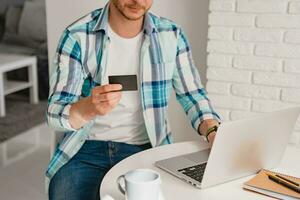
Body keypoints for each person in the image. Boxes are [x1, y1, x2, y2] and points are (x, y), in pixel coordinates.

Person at [46, 0, 220, 199]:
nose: (138, 1)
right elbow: (54, 113)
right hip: (84, 148)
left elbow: (194, 95)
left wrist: (213, 131)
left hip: (145, 149)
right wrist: (88, 108)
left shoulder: (171, 35)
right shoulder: (77, 36)